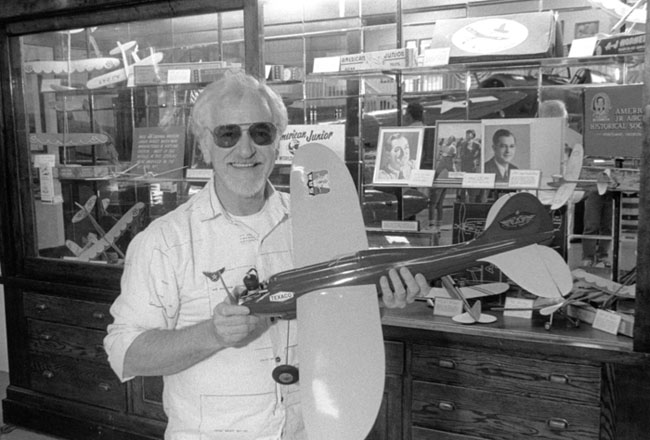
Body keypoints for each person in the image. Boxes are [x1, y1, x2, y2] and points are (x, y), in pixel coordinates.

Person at [103, 71, 428, 440]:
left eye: (260, 133)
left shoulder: (317, 222)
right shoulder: (164, 240)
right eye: (228, 134)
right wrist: (213, 333)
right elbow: (124, 352)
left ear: (278, 142)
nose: (245, 150)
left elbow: (339, 316)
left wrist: (380, 302)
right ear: (204, 146)